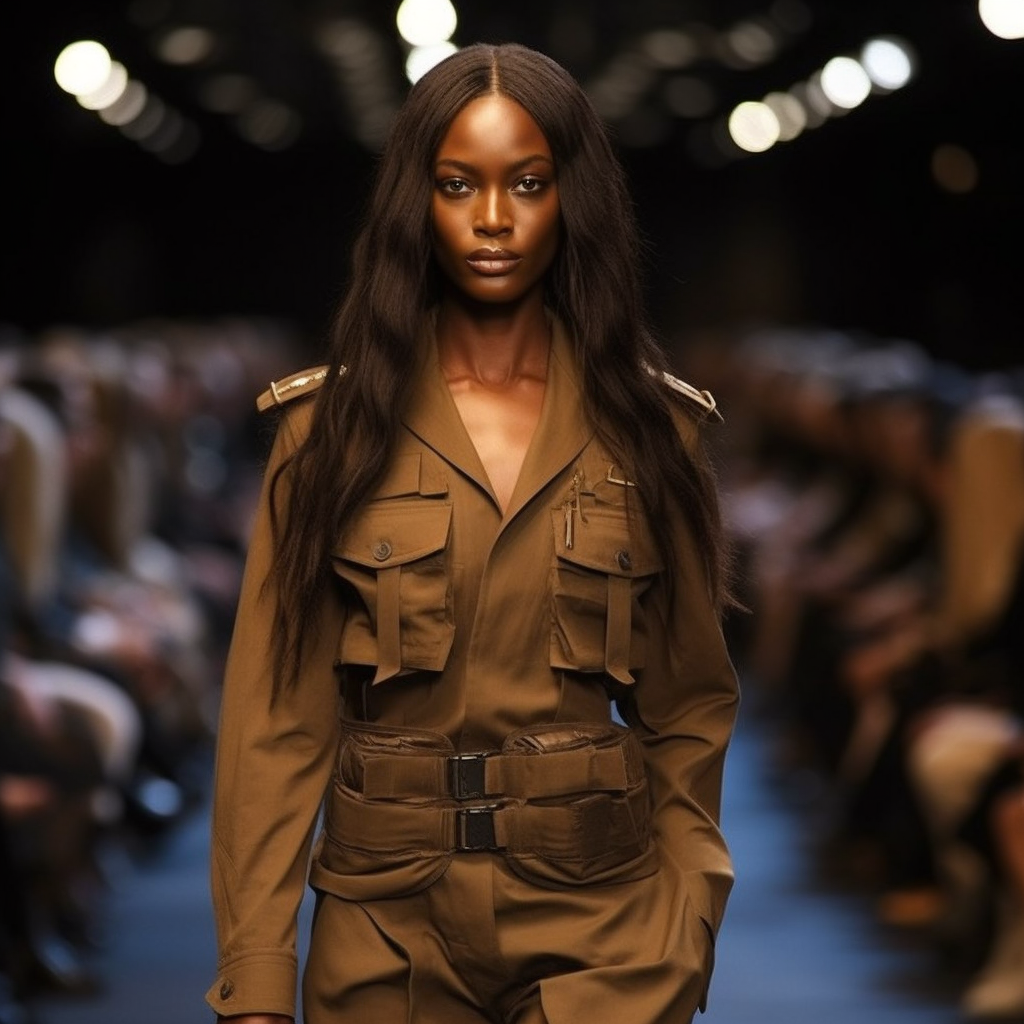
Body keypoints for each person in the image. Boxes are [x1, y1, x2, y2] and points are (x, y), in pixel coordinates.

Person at [206, 42, 738, 1024]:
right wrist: (256, 976)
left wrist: (687, 916)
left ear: (572, 197)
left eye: (527, 183)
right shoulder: (326, 434)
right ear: (419, 201)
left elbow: (691, 703)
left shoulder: (653, 430)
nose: (493, 219)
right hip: (385, 931)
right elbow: (273, 724)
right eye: (458, 184)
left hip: (603, 931)